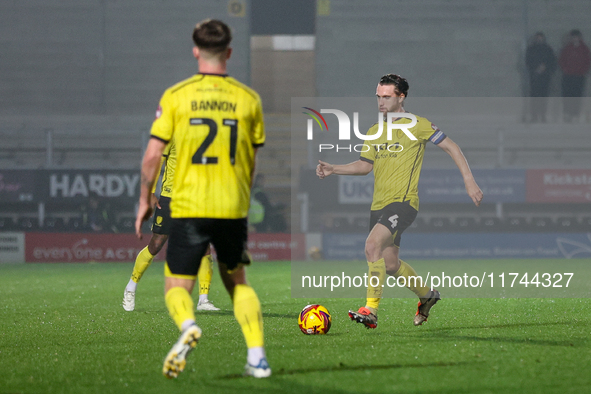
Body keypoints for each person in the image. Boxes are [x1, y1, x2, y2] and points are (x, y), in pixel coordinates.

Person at [135, 19, 270, 378]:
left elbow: (152, 156)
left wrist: (145, 199)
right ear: (229, 52)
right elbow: (251, 162)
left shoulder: (176, 96)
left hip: (189, 205)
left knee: (176, 284)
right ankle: (257, 356)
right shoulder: (248, 99)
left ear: (196, 51)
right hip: (231, 207)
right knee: (238, 283)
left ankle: (188, 327)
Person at [316, 74, 483, 328]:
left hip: (404, 203)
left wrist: (469, 180)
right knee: (391, 264)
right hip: (378, 205)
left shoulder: (418, 124)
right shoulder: (374, 130)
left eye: (387, 97)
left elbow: (452, 147)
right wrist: (334, 168)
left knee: (371, 245)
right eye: (378, 97)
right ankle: (427, 296)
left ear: (401, 96)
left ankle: (370, 311)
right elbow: (364, 166)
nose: (381, 102)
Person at [122, 140, 219, 312]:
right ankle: (130, 287)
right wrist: (151, 192)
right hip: (170, 198)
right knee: (156, 244)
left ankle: (203, 299)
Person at [559, 29, 591, 122]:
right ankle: (567, 114)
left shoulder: (585, 49)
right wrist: (565, 69)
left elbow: (588, 62)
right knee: (567, 95)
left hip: (579, 77)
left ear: (580, 38)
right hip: (568, 76)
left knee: (577, 96)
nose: (575, 39)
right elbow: (561, 60)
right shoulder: (567, 48)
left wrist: (583, 71)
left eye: (576, 37)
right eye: (573, 37)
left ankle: (575, 115)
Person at [525, 32, 557, 122]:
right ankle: (534, 116)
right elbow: (528, 61)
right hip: (534, 77)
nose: (539, 40)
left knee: (544, 97)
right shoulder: (531, 49)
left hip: (545, 77)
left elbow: (553, 62)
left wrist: (545, 67)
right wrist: (536, 68)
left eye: (541, 38)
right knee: (534, 97)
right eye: (537, 38)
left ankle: (543, 115)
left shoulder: (548, 49)